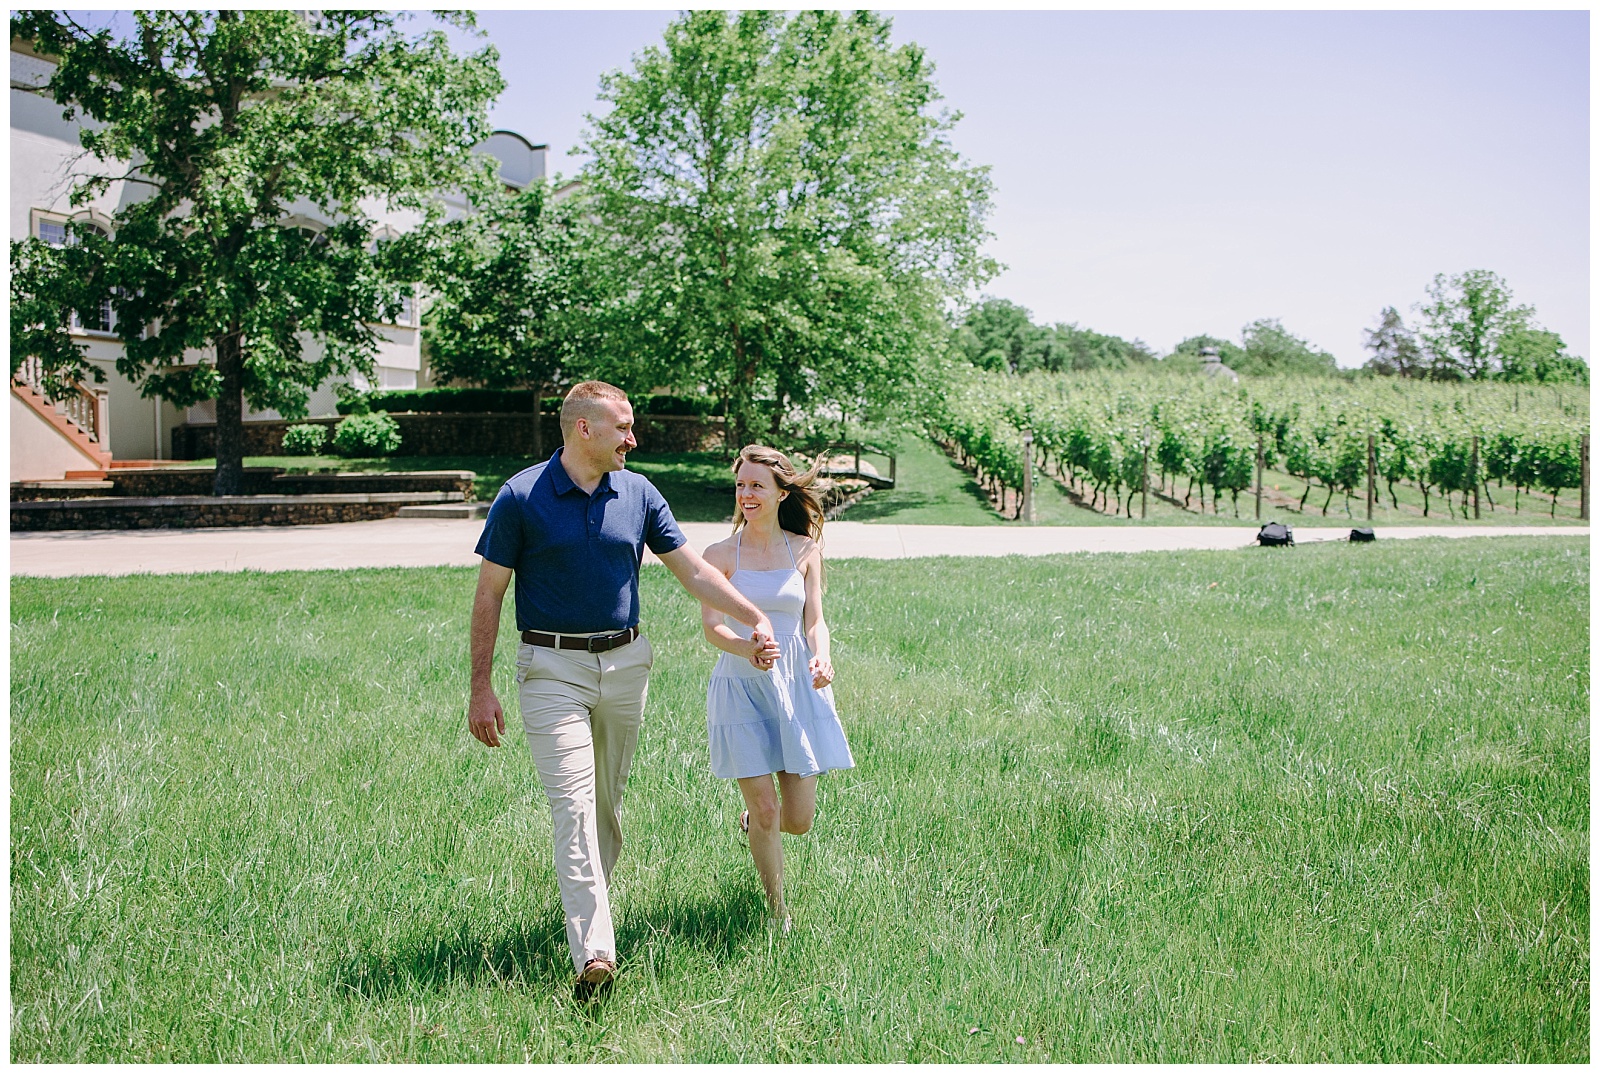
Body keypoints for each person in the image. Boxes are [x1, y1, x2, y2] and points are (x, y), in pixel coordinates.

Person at [468, 381, 780, 1002]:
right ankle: (595, 952)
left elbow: (691, 568)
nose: (632, 440)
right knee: (575, 805)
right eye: (623, 429)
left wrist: (752, 615)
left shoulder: (637, 492)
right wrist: (480, 685)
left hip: (627, 664)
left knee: (605, 806)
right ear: (584, 429)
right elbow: (489, 594)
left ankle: (588, 913)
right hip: (551, 668)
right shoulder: (521, 496)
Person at [698, 445, 855, 933]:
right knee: (765, 809)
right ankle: (776, 910)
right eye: (741, 485)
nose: (746, 494)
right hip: (741, 688)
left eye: (756, 485)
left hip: (796, 690)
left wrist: (822, 655)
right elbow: (712, 628)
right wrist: (747, 649)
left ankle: (752, 828)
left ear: (781, 491)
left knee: (798, 818)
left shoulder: (804, 550)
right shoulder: (719, 555)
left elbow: (815, 620)